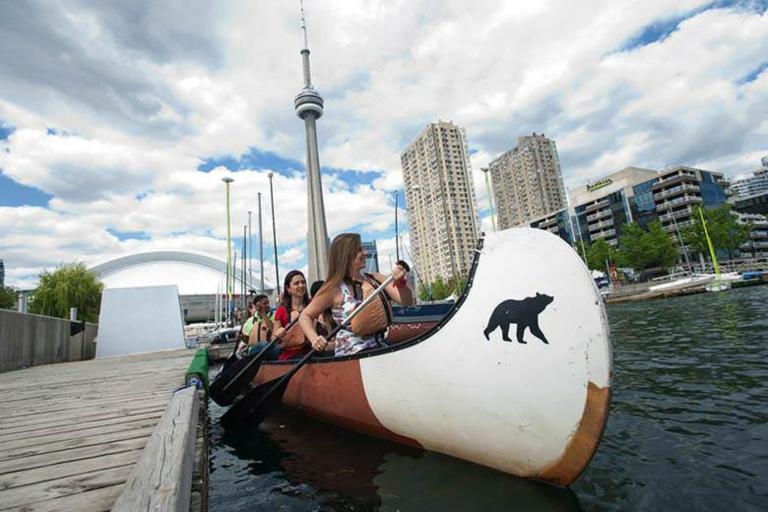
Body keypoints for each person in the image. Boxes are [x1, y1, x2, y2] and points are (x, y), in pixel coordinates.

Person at [299, 233, 415, 357]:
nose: (365, 253)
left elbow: (407, 302)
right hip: (352, 354)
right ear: (347, 255)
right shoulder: (334, 289)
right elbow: (305, 316)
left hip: (380, 347)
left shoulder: (375, 278)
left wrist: (401, 283)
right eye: (359, 249)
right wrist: (314, 338)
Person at [273, 270, 311, 361]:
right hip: (291, 356)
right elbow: (273, 339)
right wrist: (278, 333)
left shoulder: (312, 305)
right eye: (296, 283)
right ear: (288, 289)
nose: (301, 285)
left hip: (312, 351)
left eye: (303, 282)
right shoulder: (282, 310)